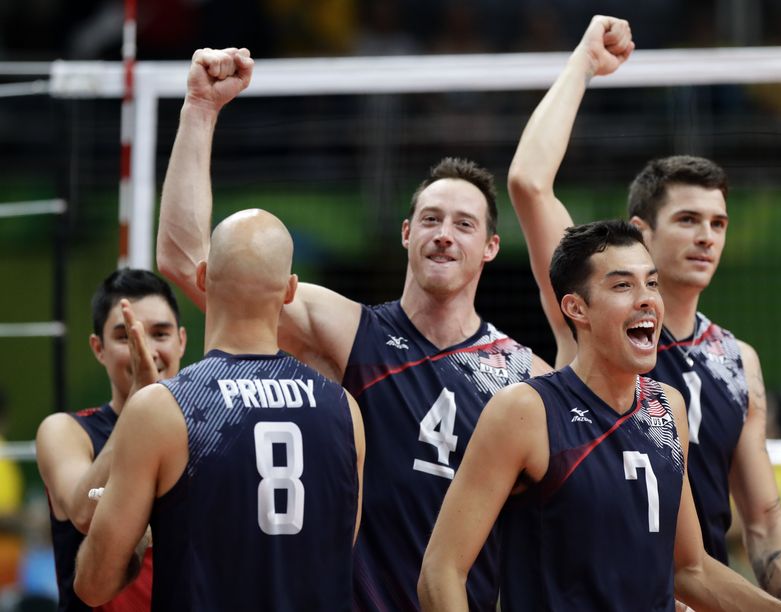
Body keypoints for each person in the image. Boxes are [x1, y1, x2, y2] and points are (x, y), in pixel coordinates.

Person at [155, 48, 551, 611]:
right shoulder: (346, 331)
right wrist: (199, 108)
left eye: (464, 224)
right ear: (407, 233)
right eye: (431, 219)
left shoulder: (524, 378)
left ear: (490, 247)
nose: (444, 234)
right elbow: (186, 259)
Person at [506, 15, 781, 609]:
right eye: (688, 220)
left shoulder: (734, 361)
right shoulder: (596, 320)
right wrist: (584, 64)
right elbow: (529, 183)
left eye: (718, 223)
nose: (706, 237)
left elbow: (763, 520)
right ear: (642, 231)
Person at [418, 220, 781, 611]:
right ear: (576, 308)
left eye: (652, 283)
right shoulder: (525, 410)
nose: (647, 299)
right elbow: (441, 570)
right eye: (622, 286)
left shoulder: (668, 407)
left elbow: (691, 570)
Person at [74, 209, 366, 610]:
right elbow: (339, 545)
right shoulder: (345, 410)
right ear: (290, 290)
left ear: (202, 276)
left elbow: (94, 584)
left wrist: (134, 523)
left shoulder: (163, 408)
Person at [35, 268, 187, 611]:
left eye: (159, 334)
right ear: (98, 348)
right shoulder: (65, 431)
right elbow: (82, 511)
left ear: (181, 341)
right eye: (126, 337)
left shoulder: (204, 435)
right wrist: (141, 399)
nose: (145, 350)